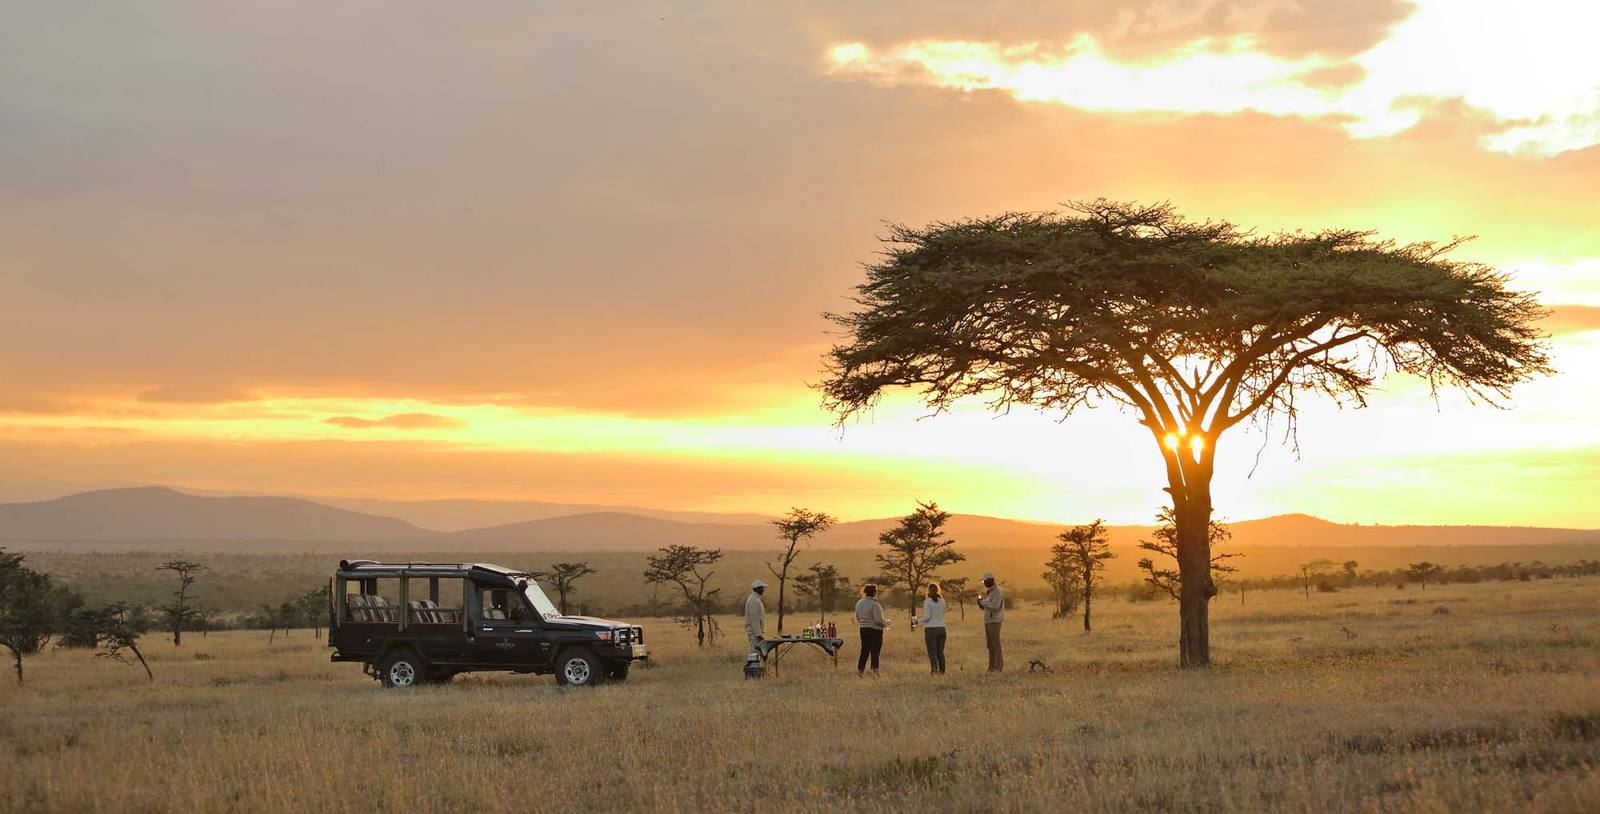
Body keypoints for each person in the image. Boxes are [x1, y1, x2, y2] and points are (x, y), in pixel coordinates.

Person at [854, 583, 889, 675]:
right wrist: (885, 623)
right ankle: (874, 670)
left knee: (864, 650)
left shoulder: (859, 603)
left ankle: (860, 670)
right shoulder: (875, 604)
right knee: (875, 651)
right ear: (874, 592)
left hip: (863, 629)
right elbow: (878, 620)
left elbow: (857, 617)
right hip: (875, 630)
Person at [914, 582, 947, 674]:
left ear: (928, 590)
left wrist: (918, 622)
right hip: (942, 628)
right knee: (940, 652)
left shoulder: (928, 601)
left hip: (931, 629)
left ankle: (934, 670)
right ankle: (942, 671)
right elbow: (943, 614)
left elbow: (927, 617)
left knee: (932, 651)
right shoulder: (942, 601)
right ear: (938, 590)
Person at [976, 571, 1004, 672]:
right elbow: (987, 607)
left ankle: (998, 667)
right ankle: (991, 667)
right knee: (990, 646)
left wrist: (983, 601)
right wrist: (981, 603)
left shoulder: (997, 591)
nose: (983, 583)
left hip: (995, 621)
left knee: (995, 645)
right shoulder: (990, 591)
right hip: (988, 621)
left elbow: (994, 606)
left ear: (990, 581)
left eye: (984, 581)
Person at [744, 580, 767, 653]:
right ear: (757, 589)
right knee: (755, 653)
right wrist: (759, 634)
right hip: (755, 633)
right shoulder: (754, 600)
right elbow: (754, 619)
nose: (763, 590)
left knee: (756, 652)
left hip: (755, 632)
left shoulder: (755, 599)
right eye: (761, 588)